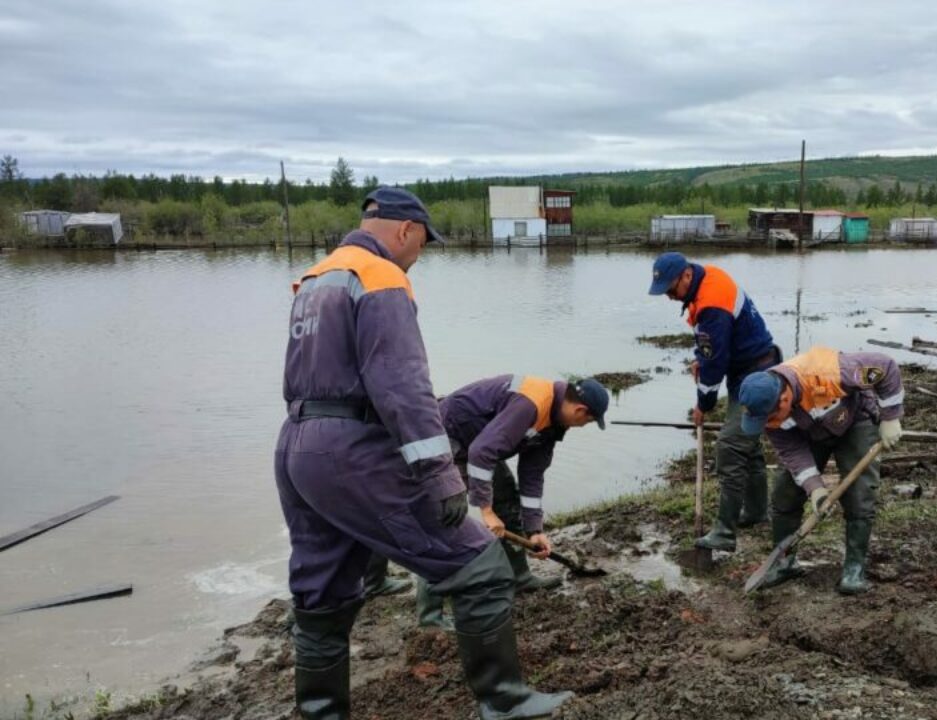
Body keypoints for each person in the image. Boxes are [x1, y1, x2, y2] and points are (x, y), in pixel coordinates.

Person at [274, 186, 571, 720]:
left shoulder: (316, 278)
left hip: (297, 446)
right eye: (422, 243)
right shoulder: (382, 277)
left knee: (323, 598)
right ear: (404, 230)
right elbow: (403, 390)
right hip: (353, 451)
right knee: (481, 568)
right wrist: (440, 478)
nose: (419, 255)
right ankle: (505, 703)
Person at [413, 374, 609, 626]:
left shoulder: (555, 419)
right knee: (447, 519)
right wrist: (486, 511)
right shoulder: (531, 403)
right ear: (580, 410)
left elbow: (532, 474)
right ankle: (430, 618)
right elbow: (481, 452)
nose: (584, 425)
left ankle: (519, 577)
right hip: (446, 438)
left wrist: (534, 529)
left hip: (480, 444)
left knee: (507, 499)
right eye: (589, 421)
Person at [737, 346, 905, 594]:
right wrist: (815, 489)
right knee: (786, 493)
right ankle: (784, 563)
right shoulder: (766, 409)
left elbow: (886, 367)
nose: (768, 425)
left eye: (771, 419)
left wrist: (891, 416)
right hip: (810, 431)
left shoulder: (831, 372)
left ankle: (854, 570)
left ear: (783, 399)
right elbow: (793, 452)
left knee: (859, 494)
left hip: (855, 420)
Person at [648, 252, 779, 552]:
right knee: (748, 444)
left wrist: (703, 405)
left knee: (730, 446)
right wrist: (700, 357)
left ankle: (725, 532)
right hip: (747, 366)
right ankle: (757, 511)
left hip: (754, 372)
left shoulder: (712, 304)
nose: (669, 296)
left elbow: (715, 364)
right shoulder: (706, 279)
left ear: (686, 276)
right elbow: (711, 348)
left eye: (670, 289)